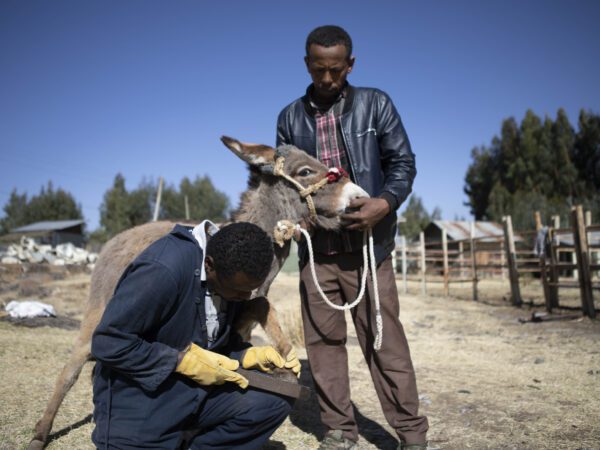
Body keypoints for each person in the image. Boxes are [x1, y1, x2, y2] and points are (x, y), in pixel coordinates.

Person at [276, 25, 429, 450]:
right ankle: (340, 430)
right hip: (316, 252)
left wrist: (386, 202)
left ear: (350, 65)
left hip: (369, 250)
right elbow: (284, 180)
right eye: (319, 69)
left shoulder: (376, 104)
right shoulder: (289, 117)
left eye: (336, 70)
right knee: (323, 347)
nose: (327, 79)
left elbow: (402, 162)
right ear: (307, 64)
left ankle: (412, 436)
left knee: (386, 345)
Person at [91, 221, 300, 450]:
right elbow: (108, 342)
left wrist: (245, 355)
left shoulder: (228, 273)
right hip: (140, 401)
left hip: (193, 393)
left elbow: (211, 342)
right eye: (239, 290)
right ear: (209, 265)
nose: (245, 296)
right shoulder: (163, 269)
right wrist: (180, 361)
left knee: (274, 400)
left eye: (251, 290)